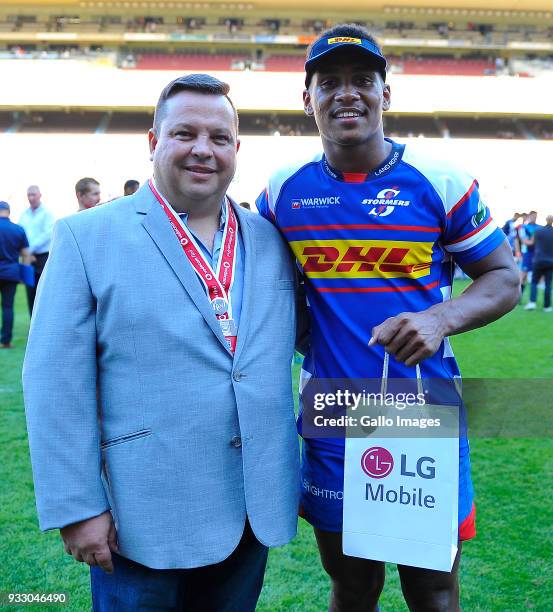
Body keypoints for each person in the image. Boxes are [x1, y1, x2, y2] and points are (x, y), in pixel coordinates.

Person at [257, 24, 520, 611]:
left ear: (385, 94)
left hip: (419, 412)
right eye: (329, 83)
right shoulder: (281, 194)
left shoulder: (439, 180)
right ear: (308, 100)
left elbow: (504, 276)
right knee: (352, 585)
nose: (347, 93)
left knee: (431, 587)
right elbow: (269, 292)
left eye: (362, 81)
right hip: (332, 413)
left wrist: (440, 319)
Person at [23, 74, 300, 611]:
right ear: (154, 141)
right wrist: (78, 507)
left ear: (236, 149)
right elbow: (54, 383)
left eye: (219, 138)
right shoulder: (86, 236)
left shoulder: (269, 240)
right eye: (185, 133)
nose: (203, 149)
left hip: (251, 505)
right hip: (141, 514)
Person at [18, 185, 55, 315]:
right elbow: (21, 234)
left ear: (40, 195)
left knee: (44, 292)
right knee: (30, 292)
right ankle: (32, 325)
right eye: (29, 195)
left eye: (33, 194)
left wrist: (30, 250)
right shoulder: (24, 215)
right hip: (28, 258)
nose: (31, 197)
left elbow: (48, 234)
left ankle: (44, 322)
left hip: (42, 257)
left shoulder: (47, 213)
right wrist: (26, 253)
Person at [0, 201, 31, 348]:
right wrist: (24, 276)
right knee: (8, 307)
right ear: (9, 211)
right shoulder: (18, 229)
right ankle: (6, 341)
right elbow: (26, 255)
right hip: (11, 273)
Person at [525, 215, 553, 312]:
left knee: (534, 282)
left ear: (546, 220)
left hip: (538, 260)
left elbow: (531, 243)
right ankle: (547, 306)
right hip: (551, 261)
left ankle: (532, 302)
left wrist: (523, 240)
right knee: (548, 284)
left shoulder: (538, 230)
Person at [519, 210, 540, 300]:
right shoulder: (523, 228)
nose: (534, 218)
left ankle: (532, 300)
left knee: (534, 277)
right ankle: (518, 297)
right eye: (532, 216)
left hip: (537, 254)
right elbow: (525, 242)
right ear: (529, 216)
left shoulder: (539, 227)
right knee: (523, 276)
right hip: (527, 254)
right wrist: (533, 240)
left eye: (535, 216)